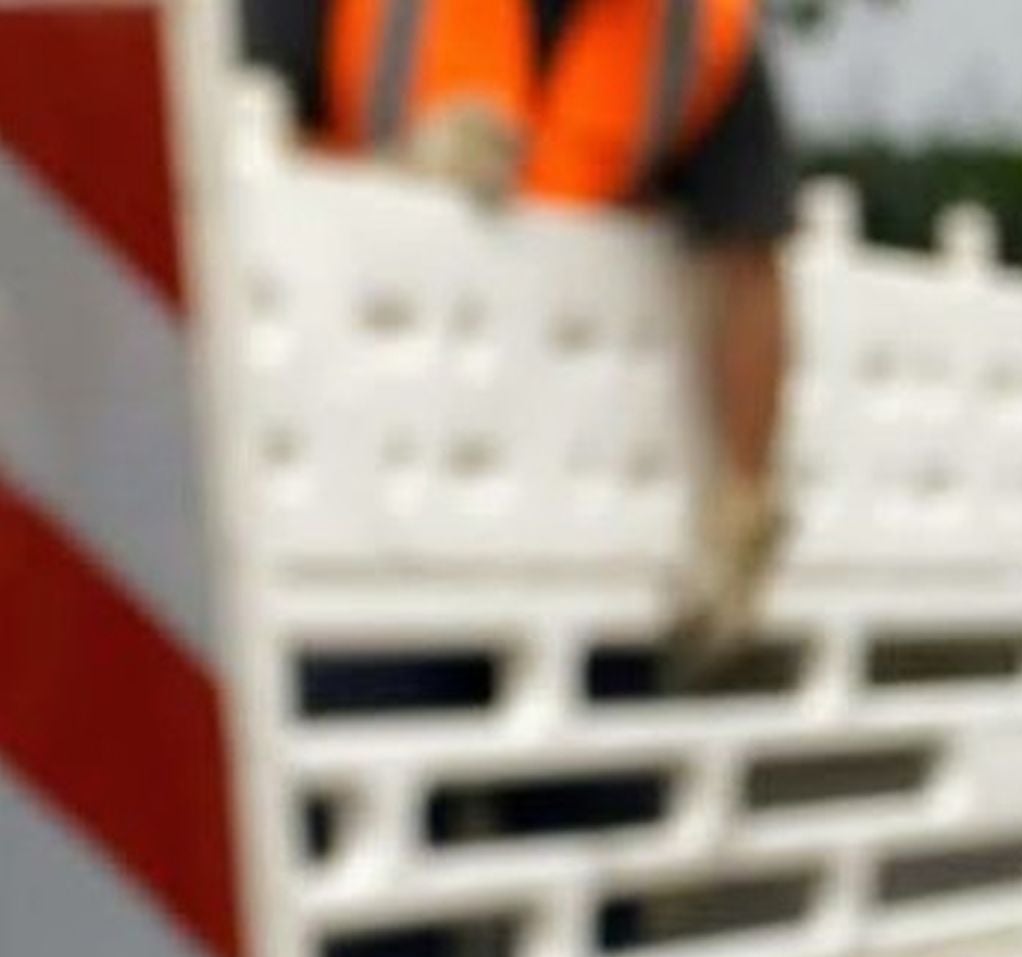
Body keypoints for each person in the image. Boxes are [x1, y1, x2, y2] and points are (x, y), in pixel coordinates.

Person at [240, 0, 796, 669]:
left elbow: (746, 268)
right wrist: (389, 181)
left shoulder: (698, 26)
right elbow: (216, 135)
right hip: (346, 497)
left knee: (591, 758)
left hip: (568, 522)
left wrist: (743, 504)